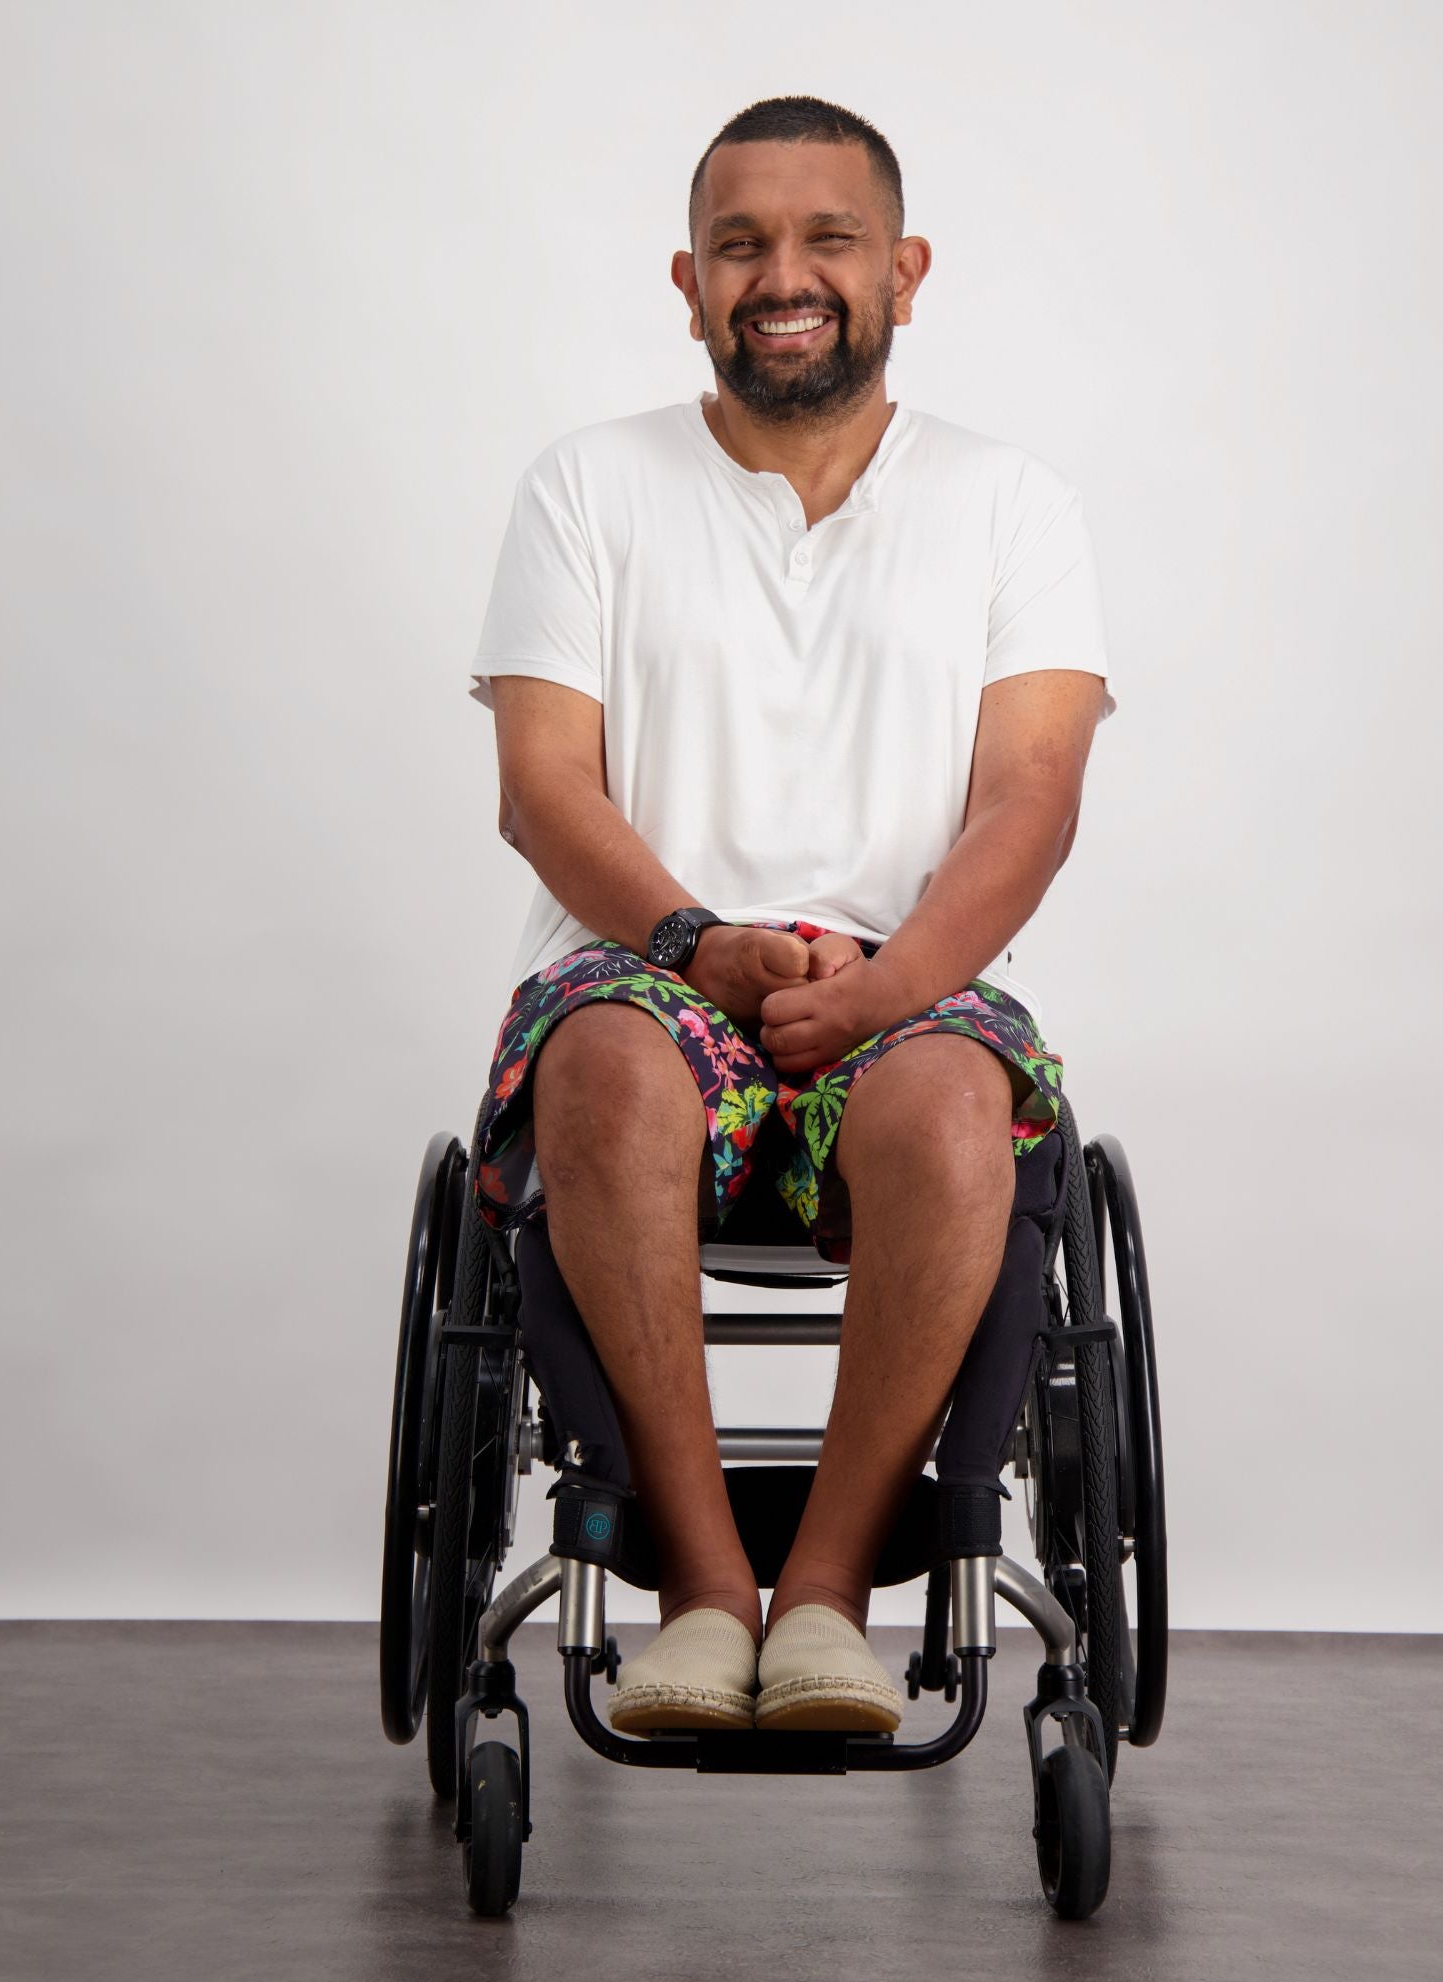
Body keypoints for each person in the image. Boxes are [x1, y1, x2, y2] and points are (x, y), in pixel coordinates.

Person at [465, 95, 1114, 1737]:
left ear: (904, 269)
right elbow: (545, 788)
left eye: (830, 239)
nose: (784, 276)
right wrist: (696, 945)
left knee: (959, 1100)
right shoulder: (588, 487)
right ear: (689, 282)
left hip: (911, 978)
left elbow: (1031, 798)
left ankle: (823, 1596)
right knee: (608, 1061)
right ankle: (702, 1592)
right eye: (741, 244)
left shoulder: (1010, 502)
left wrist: (892, 987)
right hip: (648, 970)